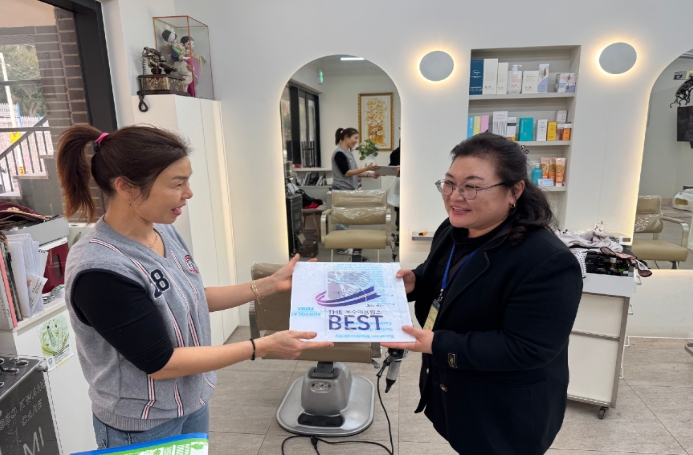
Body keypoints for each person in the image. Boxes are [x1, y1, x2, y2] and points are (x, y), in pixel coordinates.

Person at [57, 125, 333, 448]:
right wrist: (262, 346)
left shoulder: (162, 231)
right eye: (178, 184)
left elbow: (188, 298)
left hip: (190, 402)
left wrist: (269, 284)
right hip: (142, 425)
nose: (188, 193)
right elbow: (161, 363)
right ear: (126, 187)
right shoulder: (101, 270)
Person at [382, 132, 583, 454]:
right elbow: (446, 273)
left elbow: (528, 347)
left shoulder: (546, 261)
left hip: (506, 409)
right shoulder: (453, 228)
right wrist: (416, 281)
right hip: (455, 390)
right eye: (449, 184)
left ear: (514, 191)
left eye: (471, 187)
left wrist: (436, 344)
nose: (455, 197)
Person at [331, 127, 380, 255]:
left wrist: (369, 174)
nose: (356, 141)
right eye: (355, 138)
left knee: (346, 219)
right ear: (346, 137)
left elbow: (354, 173)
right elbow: (347, 173)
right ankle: (341, 248)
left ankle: (344, 245)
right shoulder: (339, 153)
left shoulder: (349, 153)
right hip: (341, 190)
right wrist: (366, 169)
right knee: (342, 220)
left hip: (348, 191)